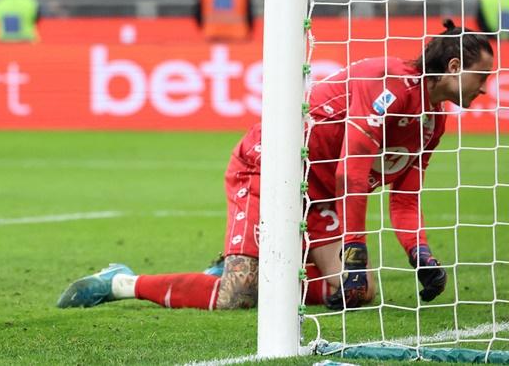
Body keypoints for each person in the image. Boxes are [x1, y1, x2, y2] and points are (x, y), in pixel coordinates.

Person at [57, 20, 493, 311]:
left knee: (355, 295)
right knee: (239, 296)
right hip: (272, 166)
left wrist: (421, 255)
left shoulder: (432, 122)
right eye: (482, 77)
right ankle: (121, 282)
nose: (485, 89)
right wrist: (355, 247)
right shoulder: (384, 81)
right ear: (454, 67)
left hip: (320, 194)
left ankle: (246, 264)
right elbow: (352, 170)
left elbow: (404, 197)